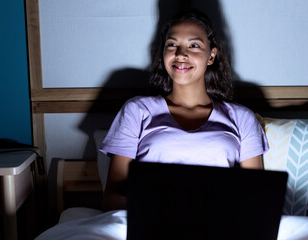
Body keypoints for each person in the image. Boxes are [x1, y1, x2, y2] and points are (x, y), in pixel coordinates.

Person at [99, 9, 268, 212]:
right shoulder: (137, 110)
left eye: (194, 45)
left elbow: (258, 197)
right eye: (172, 45)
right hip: (153, 221)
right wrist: (165, 208)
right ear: (163, 52)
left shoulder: (242, 118)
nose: (181, 54)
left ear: (211, 55)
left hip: (219, 222)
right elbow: (111, 199)